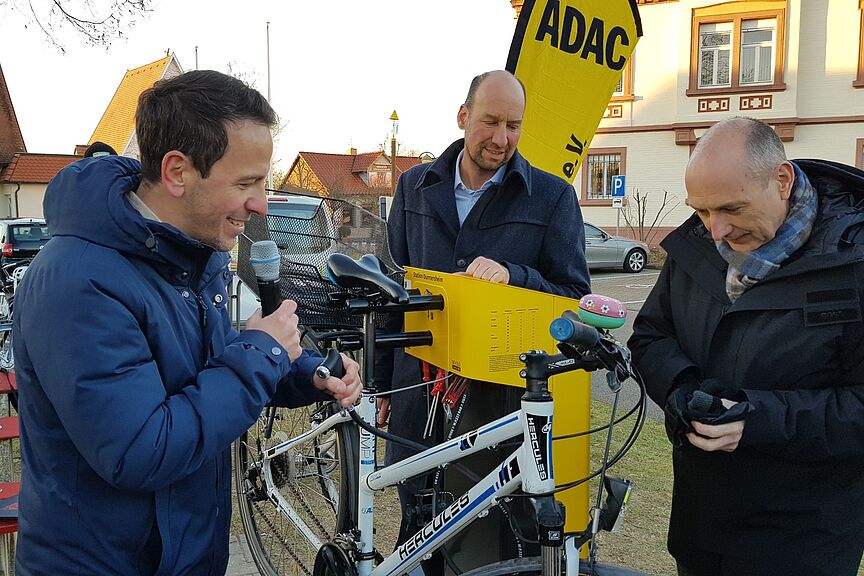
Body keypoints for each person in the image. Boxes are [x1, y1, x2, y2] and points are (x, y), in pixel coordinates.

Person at [13, 70, 362, 574]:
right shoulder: (78, 281)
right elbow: (142, 450)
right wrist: (264, 352)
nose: (261, 203)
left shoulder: (191, 257)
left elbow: (207, 367)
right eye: (246, 182)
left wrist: (305, 372)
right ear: (178, 172)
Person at [628, 117, 864, 576]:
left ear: (782, 181)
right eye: (701, 211)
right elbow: (652, 335)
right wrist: (680, 391)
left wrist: (757, 420)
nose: (716, 230)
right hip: (702, 523)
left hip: (805, 538)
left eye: (731, 209)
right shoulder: (697, 243)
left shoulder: (852, 260)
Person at [377, 69, 591, 572]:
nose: (502, 138)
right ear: (463, 116)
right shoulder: (413, 186)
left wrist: (515, 276)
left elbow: (574, 296)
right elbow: (392, 290)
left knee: (488, 539)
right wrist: (383, 385)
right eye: (491, 122)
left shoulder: (552, 197)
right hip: (418, 394)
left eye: (514, 125)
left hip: (499, 403)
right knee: (419, 522)